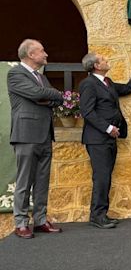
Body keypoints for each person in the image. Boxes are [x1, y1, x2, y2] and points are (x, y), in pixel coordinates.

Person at [80, 52, 131, 229]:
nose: (107, 60)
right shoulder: (88, 84)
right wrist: (108, 128)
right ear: (96, 66)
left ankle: (102, 214)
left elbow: (128, 88)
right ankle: (97, 216)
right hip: (97, 139)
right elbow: (87, 112)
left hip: (109, 139)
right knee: (101, 177)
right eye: (103, 60)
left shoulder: (107, 83)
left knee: (105, 177)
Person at [7, 39, 64, 239]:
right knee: (24, 181)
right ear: (31, 55)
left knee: (42, 180)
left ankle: (40, 220)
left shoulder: (40, 77)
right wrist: (53, 93)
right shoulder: (15, 73)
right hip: (26, 134)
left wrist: (47, 96)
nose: (46, 54)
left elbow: (48, 98)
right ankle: (21, 222)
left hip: (44, 134)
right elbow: (35, 93)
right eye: (42, 51)